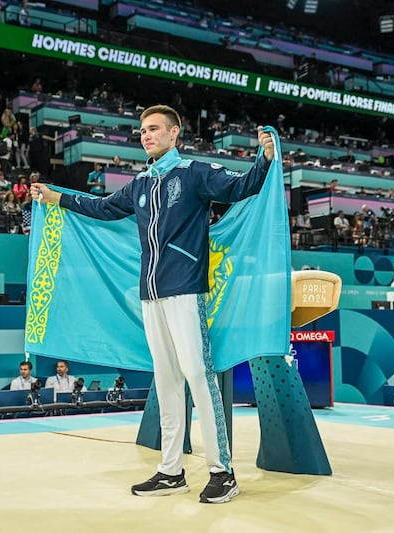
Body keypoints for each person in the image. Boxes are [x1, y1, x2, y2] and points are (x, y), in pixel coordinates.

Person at [31, 104, 275, 504]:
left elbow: (240, 188)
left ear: (176, 133)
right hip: (151, 295)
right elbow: (103, 208)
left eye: (155, 129)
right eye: (142, 130)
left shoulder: (195, 173)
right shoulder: (140, 184)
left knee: (199, 376)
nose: (146, 135)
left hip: (185, 290)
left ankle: (222, 472)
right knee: (167, 382)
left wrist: (263, 159)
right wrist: (56, 197)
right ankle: (170, 470)